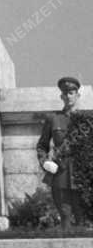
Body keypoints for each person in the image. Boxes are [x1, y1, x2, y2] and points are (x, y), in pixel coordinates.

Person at [37, 76, 86, 228]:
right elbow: (42, 145)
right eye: (65, 93)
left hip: (81, 176)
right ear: (61, 96)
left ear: (78, 95)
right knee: (65, 216)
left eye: (72, 93)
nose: (68, 96)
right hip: (60, 174)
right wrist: (45, 162)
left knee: (82, 218)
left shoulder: (87, 120)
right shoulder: (53, 119)